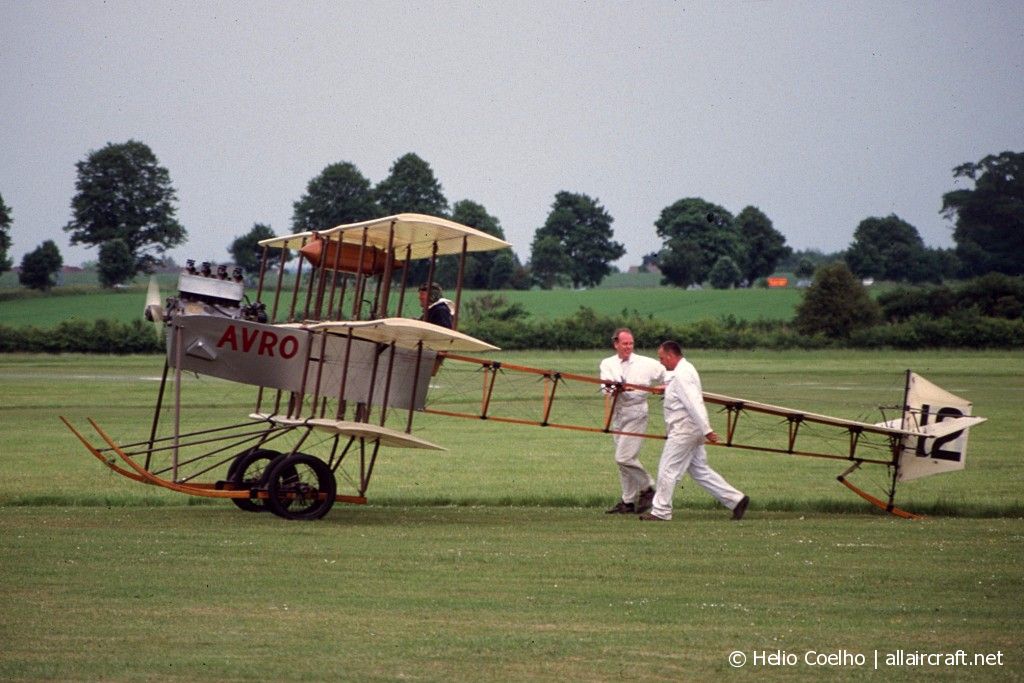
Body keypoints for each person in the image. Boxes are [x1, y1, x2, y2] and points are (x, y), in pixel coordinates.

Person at [639, 341, 749, 521]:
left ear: (671, 355)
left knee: (667, 469)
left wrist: (708, 430)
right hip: (691, 430)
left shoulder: (682, 374)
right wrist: (666, 389)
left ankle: (661, 511)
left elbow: (694, 403)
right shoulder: (683, 371)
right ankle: (737, 500)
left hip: (685, 430)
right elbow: (681, 392)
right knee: (699, 470)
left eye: (662, 358)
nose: (661, 363)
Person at [599, 328, 666, 515]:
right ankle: (628, 502)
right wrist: (614, 389)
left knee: (624, 457)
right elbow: (605, 388)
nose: (628, 347)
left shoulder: (646, 363)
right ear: (616, 344)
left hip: (637, 412)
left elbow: (668, 373)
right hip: (617, 412)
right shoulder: (607, 363)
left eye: (631, 344)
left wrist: (666, 385)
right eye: (624, 344)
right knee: (623, 462)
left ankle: (648, 487)